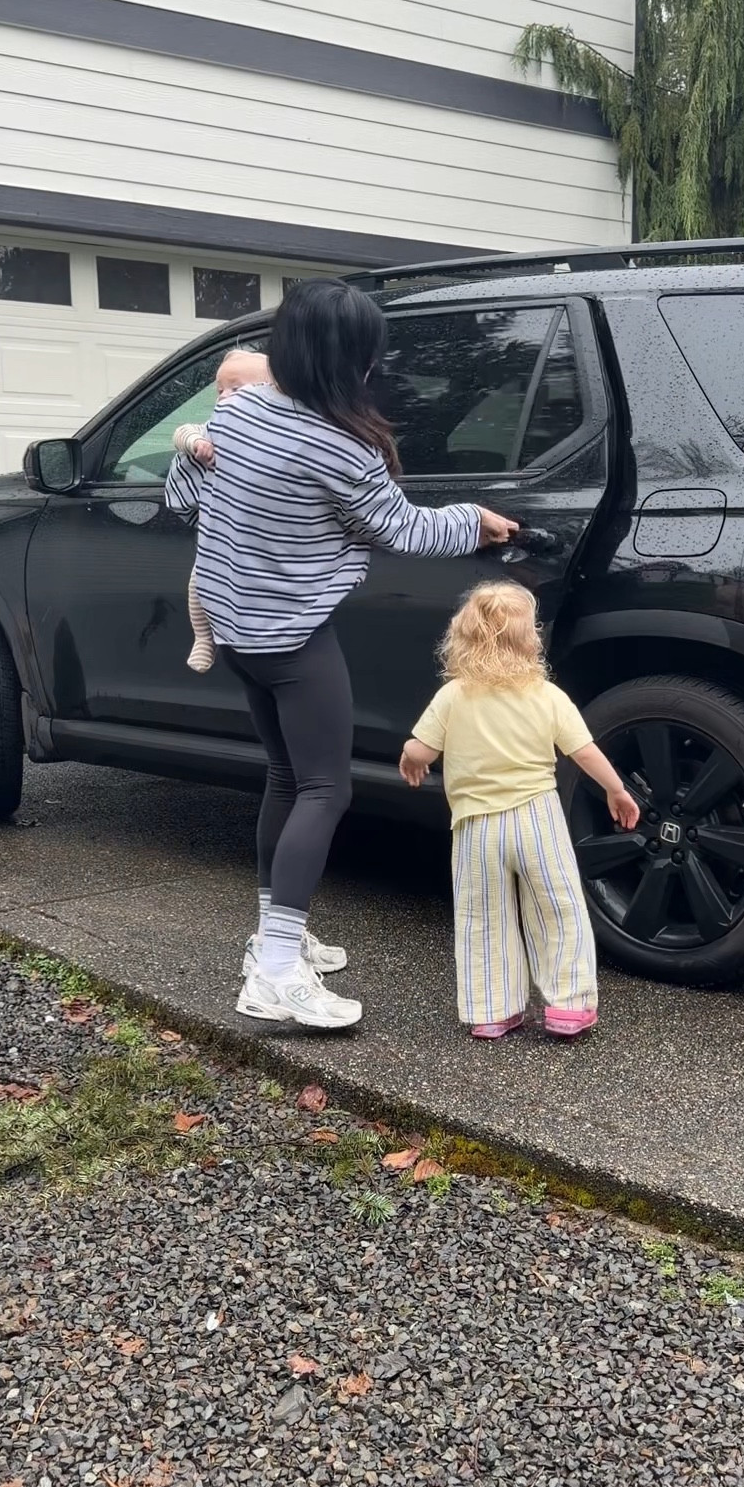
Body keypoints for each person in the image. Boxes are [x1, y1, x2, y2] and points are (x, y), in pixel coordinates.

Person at [165, 280, 515, 1033]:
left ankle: (274, 939)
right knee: (327, 789)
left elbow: (183, 497)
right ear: (354, 360)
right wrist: (477, 522)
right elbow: (404, 529)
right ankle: (276, 972)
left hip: (233, 628)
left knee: (288, 777)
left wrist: (195, 451)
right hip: (291, 639)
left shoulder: (240, 411)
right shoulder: (340, 446)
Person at [400, 582, 640, 1041]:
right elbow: (584, 751)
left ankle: (492, 1010)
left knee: (483, 917)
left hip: (476, 827)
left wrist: (411, 759)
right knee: (559, 908)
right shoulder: (546, 695)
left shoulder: (454, 696)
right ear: (530, 640)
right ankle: (568, 1006)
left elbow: (421, 748)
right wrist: (616, 790)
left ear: (462, 639)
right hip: (536, 818)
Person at [172, 348, 269, 674]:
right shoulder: (212, 430)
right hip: (217, 533)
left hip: (256, 536)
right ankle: (203, 637)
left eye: (236, 389)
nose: (224, 396)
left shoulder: (277, 436)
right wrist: (196, 444)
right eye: (220, 390)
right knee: (201, 580)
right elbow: (181, 432)